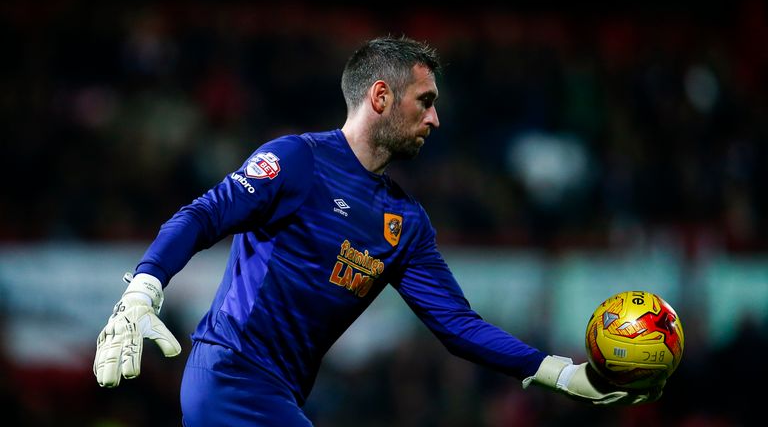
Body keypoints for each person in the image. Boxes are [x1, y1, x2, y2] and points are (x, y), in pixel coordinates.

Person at [94, 36, 662, 426]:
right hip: (229, 376)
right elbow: (203, 215)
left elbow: (457, 325)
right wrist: (143, 289)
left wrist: (560, 373)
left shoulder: (406, 224)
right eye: (426, 101)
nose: (436, 119)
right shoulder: (296, 161)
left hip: (278, 393)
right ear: (381, 97)